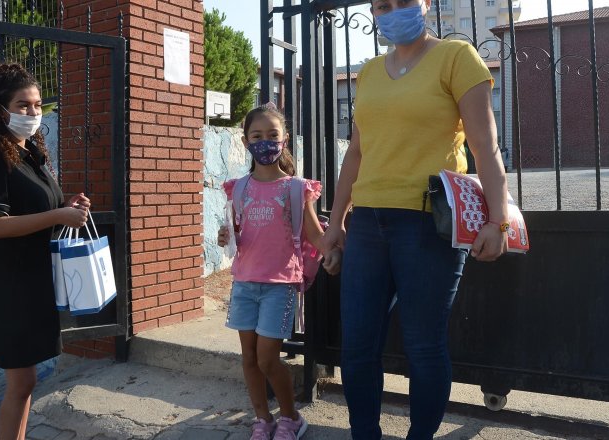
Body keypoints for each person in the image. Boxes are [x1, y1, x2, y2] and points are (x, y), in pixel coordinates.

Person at [320, 1, 510, 438]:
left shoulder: (457, 58)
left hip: (427, 225)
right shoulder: (367, 72)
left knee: (424, 348)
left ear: (425, 3)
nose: (392, 10)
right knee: (357, 348)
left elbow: (485, 146)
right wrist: (336, 225)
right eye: (382, 5)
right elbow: (356, 154)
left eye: (403, 1)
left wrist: (497, 221)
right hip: (367, 225)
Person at [0, 63, 91, 440]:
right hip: (12, 286)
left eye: (38, 105)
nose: (33, 113)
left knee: (26, 381)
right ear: (0, 109)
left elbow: (41, 213)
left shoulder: (33, 157)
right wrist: (57, 213)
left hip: (36, 282)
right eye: (23, 105)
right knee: (20, 382)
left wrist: (67, 208)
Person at [217, 105, 342, 440]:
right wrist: (226, 236)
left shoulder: (296, 188)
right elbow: (237, 233)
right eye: (257, 136)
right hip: (244, 283)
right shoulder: (238, 188)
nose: (265, 142)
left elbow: (314, 234)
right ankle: (262, 420)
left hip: (280, 286)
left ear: (285, 139)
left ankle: (290, 417)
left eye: (272, 135)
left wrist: (332, 249)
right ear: (245, 142)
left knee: (268, 359)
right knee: (248, 359)